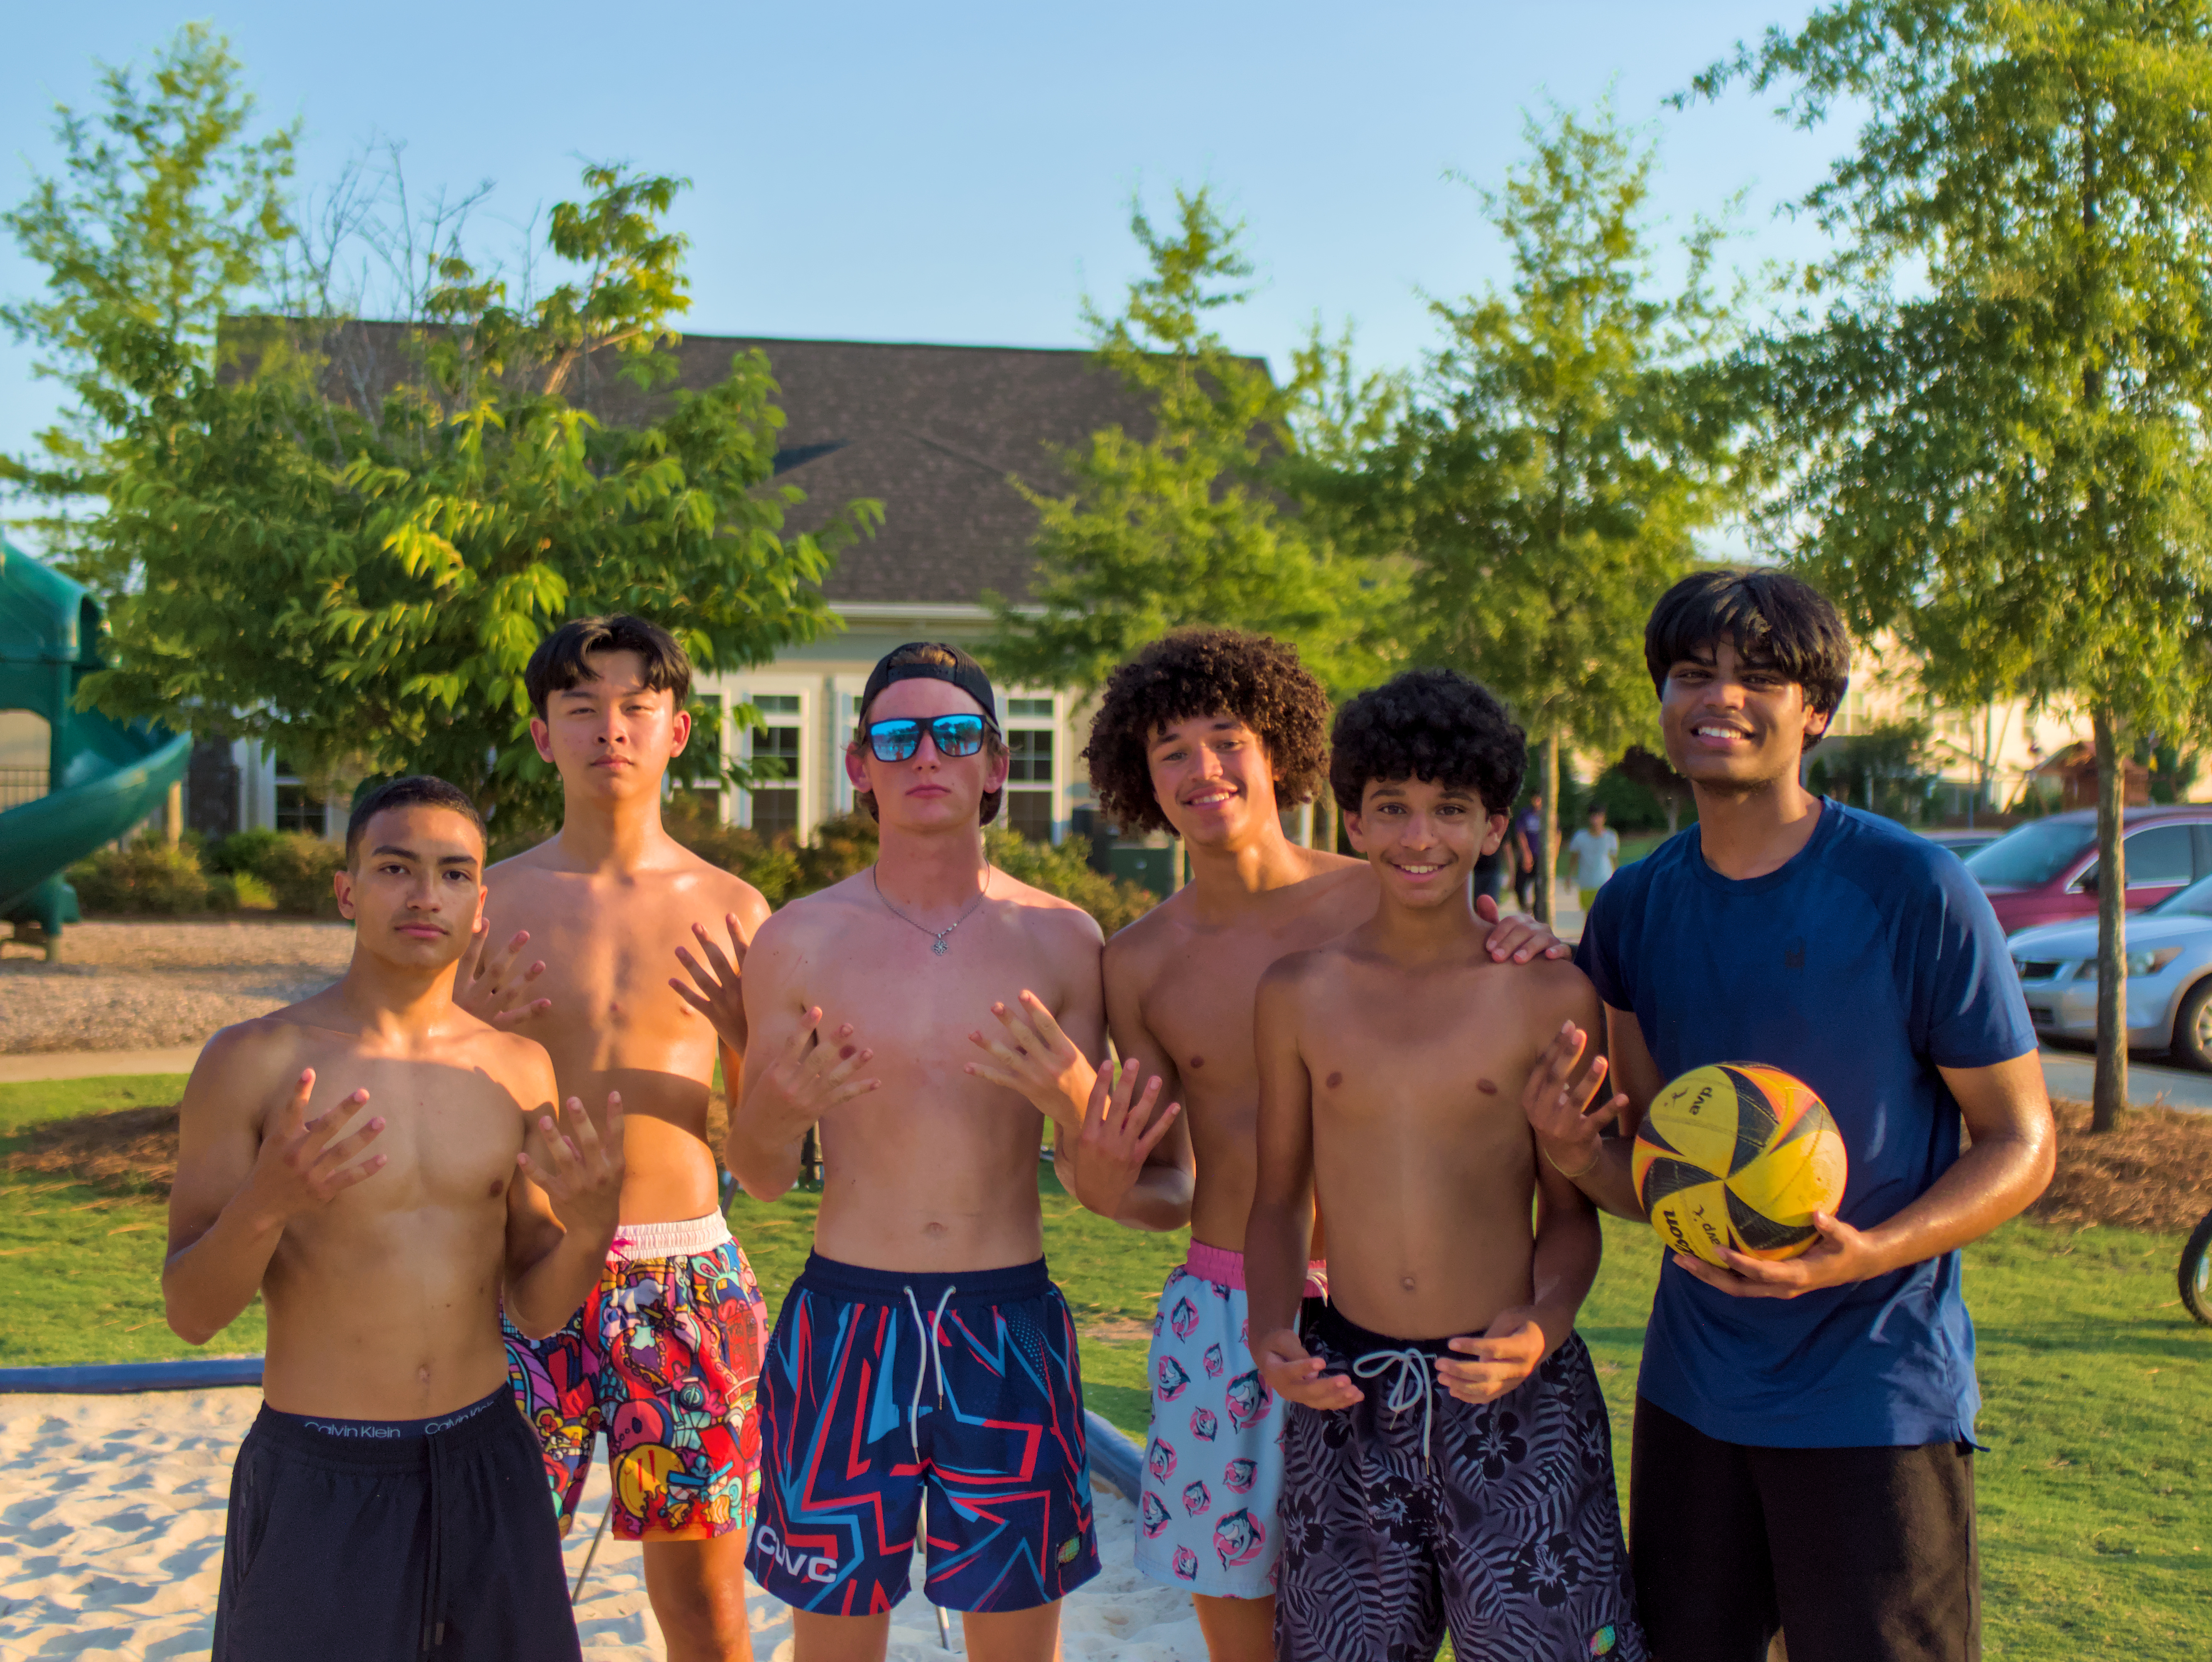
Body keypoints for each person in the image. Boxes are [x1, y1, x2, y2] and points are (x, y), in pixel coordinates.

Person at [1528, 569, 2055, 1662]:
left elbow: (2020, 1143)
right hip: (1693, 1400)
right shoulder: (1632, 907)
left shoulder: (1913, 890)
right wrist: (1577, 1154)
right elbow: (1655, 1177)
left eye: (1757, 677)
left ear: (1814, 710)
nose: (1719, 697)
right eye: (1690, 674)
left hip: (1875, 1397)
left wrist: (1861, 1257)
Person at [1021, 628, 1564, 1662]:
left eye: (1226, 738)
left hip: (1393, 1312)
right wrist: (1096, 1178)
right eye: (1169, 749)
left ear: (1279, 749)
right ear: (1141, 778)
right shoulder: (1134, 963)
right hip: (1222, 1322)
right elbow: (1168, 1182)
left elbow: (1509, 1020)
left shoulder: (1384, 890)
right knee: (1245, 1640)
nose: (1202, 769)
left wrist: (1533, 940)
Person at [164, 775, 625, 1662]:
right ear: (347, 889)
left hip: (486, 1456)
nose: (425, 894)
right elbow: (191, 1310)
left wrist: (592, 1226)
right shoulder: (253, 1060)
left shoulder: (517, 1068)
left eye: (455, 874)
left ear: (480, 902)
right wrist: (268, 1200)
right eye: (395, 867)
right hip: (321, 1472)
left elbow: (534, 1305)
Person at [1245, 669, 1641, 1662]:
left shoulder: (1544, 991)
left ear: (1492, 826)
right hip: (1349, 1393)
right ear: (1352, 822)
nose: (1419, 837)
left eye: (1448, 810)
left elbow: (1570, 1210)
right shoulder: (1298, 992)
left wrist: (1541, 1328)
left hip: (1514, 1393)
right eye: (1392, 809)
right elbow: (1279, 1193)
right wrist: (1266, 1324)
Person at [725, 642, 1108, 1662]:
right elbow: (759, 1172)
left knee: (1016, 1645)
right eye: (896, 736)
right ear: (858, 764)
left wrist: (1073, 1099)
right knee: (835, 1645)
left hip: (1007, 1324)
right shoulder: (799, 940)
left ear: (997, 764)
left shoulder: (1063, 939)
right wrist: (778, 1102)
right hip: (846, 1321)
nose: (924, 754)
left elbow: (1101, 1176)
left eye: (955, 733)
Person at [460, 615, 775, 1662]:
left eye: (637, 706)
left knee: (701, 1604)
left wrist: (745, 1040)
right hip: (519, 1273)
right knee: (488, 1578)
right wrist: (463, 1034)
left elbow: (773, 1148)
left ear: (678, 729)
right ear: (543, 734)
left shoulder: (735, 909)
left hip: (681, 1276)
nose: (612, 729)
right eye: (581, 707)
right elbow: (421, 1100)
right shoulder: (481, 902)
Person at [1566, 802, 1620, 914]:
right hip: (1587, 883)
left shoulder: (1611, 837)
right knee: (1590, 914)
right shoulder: (1580, 837)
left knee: (1605, 914)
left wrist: (1618, 880)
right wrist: (1569, 877)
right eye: (1593, 816)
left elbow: (1614, 860)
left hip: (1605, 881)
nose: (1596, 820)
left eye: (1599, 816)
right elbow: (1574, 859)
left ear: (1604, 818)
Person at [1513, 792, 1546, 912]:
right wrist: (1526, 853)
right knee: (1519, 885)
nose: (1536, 802)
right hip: (1528, 854)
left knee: (1540, 887)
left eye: (1539, 799)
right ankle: (1525, 908)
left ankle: (1537, 913)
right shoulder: (1526, 813)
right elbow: (1520, 833)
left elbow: (1557, 834)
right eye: (1534, 799)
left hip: (1542, 856)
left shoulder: (1547, 814)